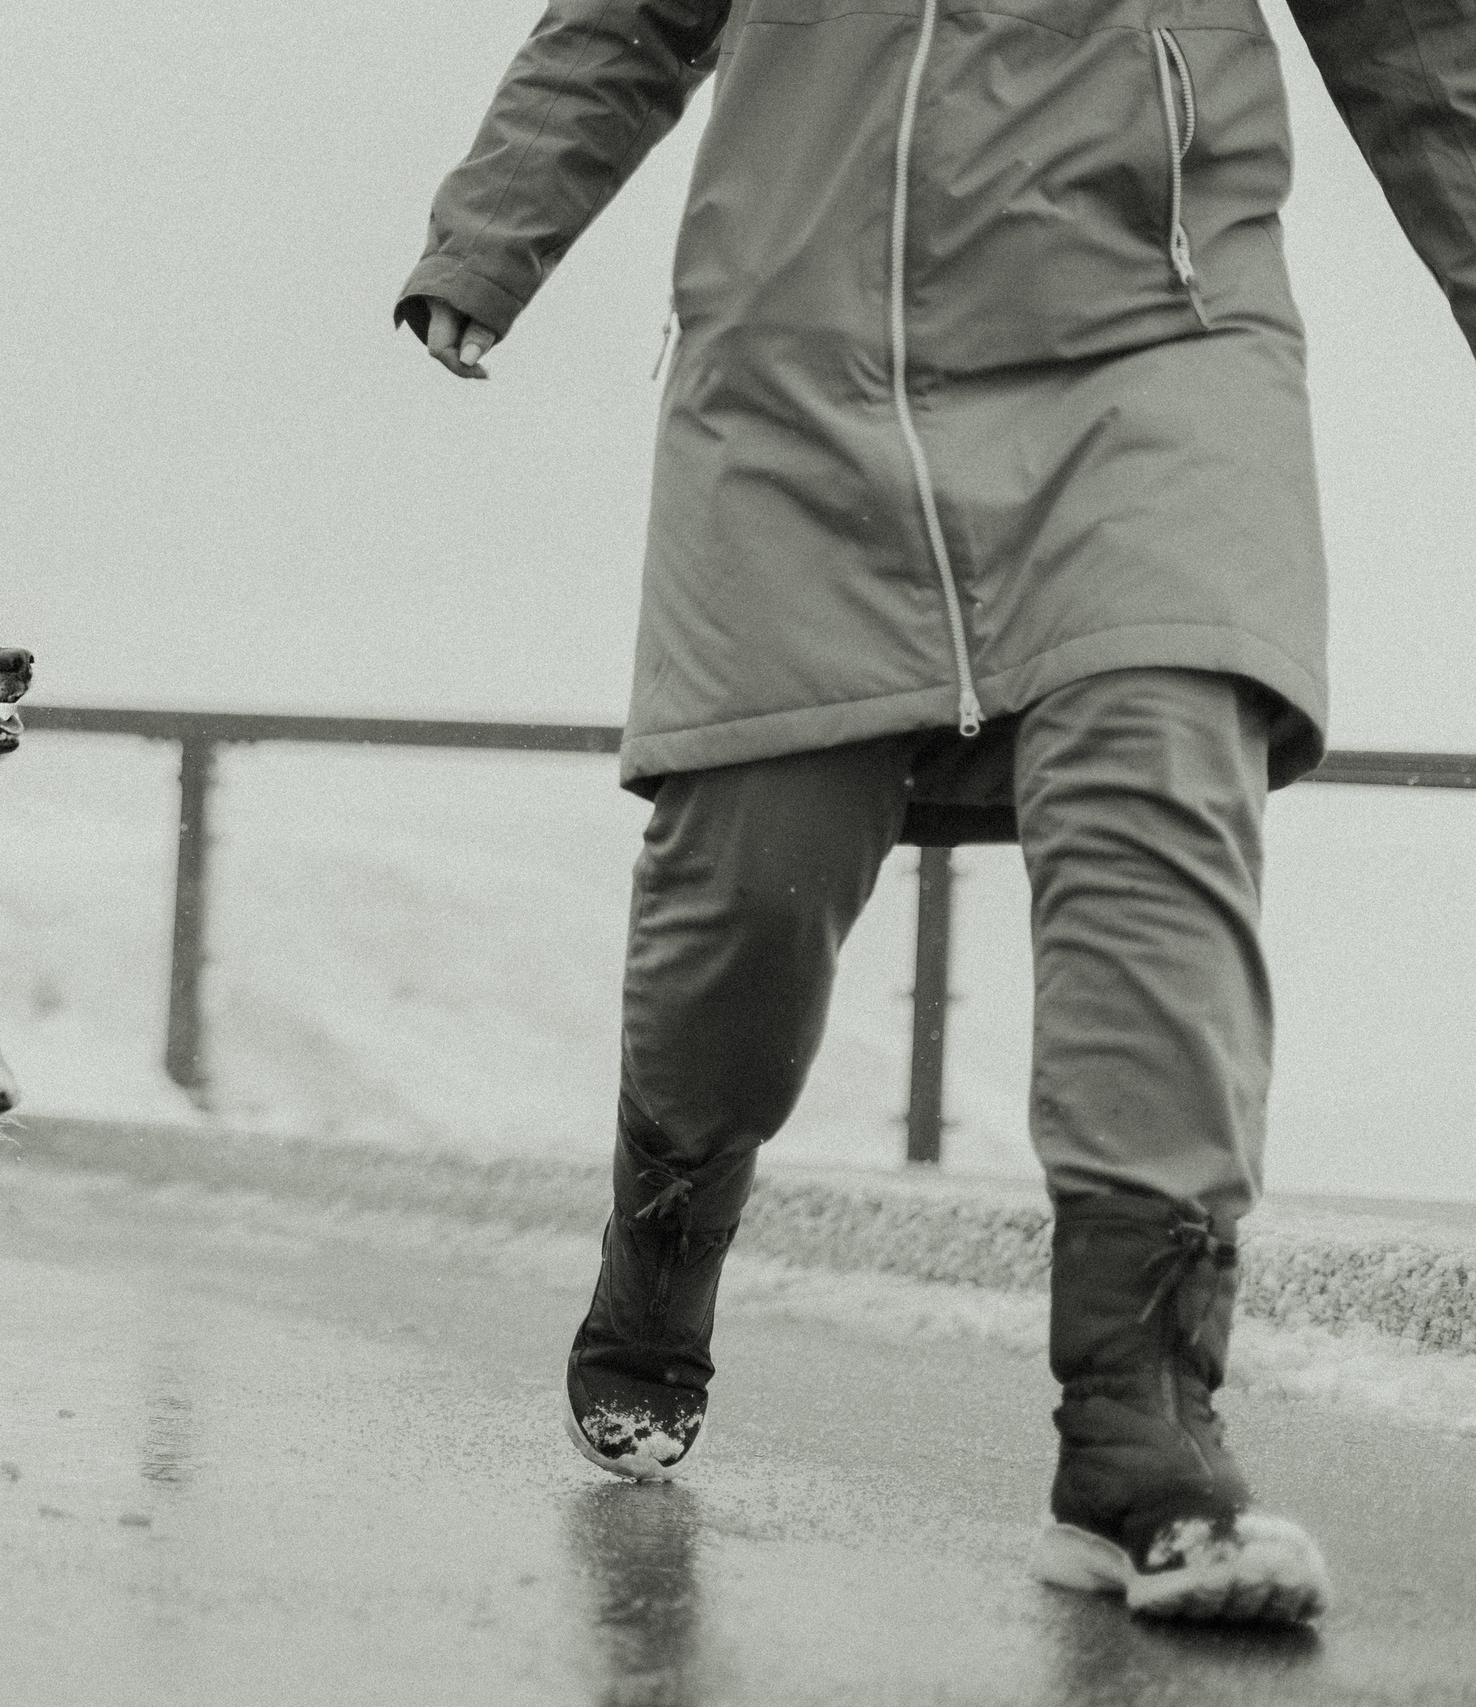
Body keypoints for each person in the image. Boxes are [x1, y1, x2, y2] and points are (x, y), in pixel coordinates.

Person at [399, 0, 1474, 1626]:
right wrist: (497, 228)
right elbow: (630, 17)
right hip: (796, 369)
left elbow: (1421, 39)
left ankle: (1142, 1434)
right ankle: (667, 1236)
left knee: (1159, 789)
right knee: (750, 885)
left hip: (1158, 346)